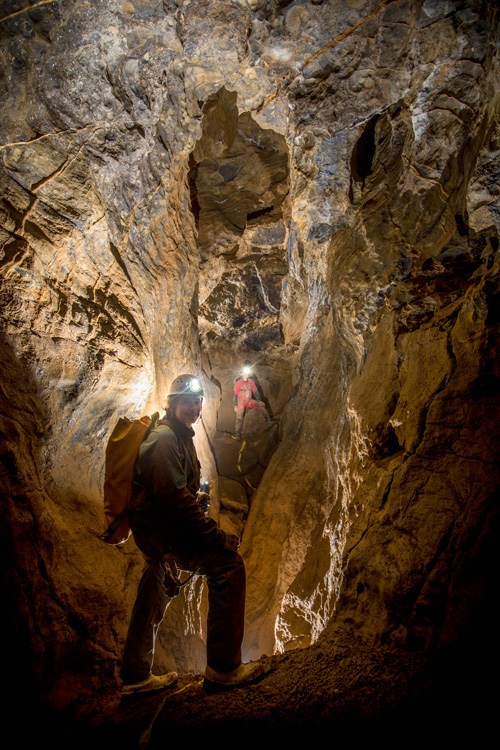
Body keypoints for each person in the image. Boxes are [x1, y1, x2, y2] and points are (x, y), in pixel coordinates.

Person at [120, 374, 264, 694]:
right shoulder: (164, 440)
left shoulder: (180, 437)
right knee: (228, 566)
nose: (195, 407)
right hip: (163, 535)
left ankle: (135, 676)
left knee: (155, 588)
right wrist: (215, 538)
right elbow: (176, 502)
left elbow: (180, 493)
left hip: (159, 534)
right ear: (171, 404)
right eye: (187, 401)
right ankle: (223, 669)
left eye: (198, 402)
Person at [234, 368, 271, 439]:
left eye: (246, 373)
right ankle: (237, 434)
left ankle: (268, 421)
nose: (245, 375)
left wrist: (259, 400)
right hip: (240, 402)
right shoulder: (238, 383)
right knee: (239, 417)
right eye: (243, 373)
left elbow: (256, 392)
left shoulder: (251, 382)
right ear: (241, 375)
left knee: (261, 406)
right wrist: (235, 405)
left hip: (248, 400)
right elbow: (235, 395)